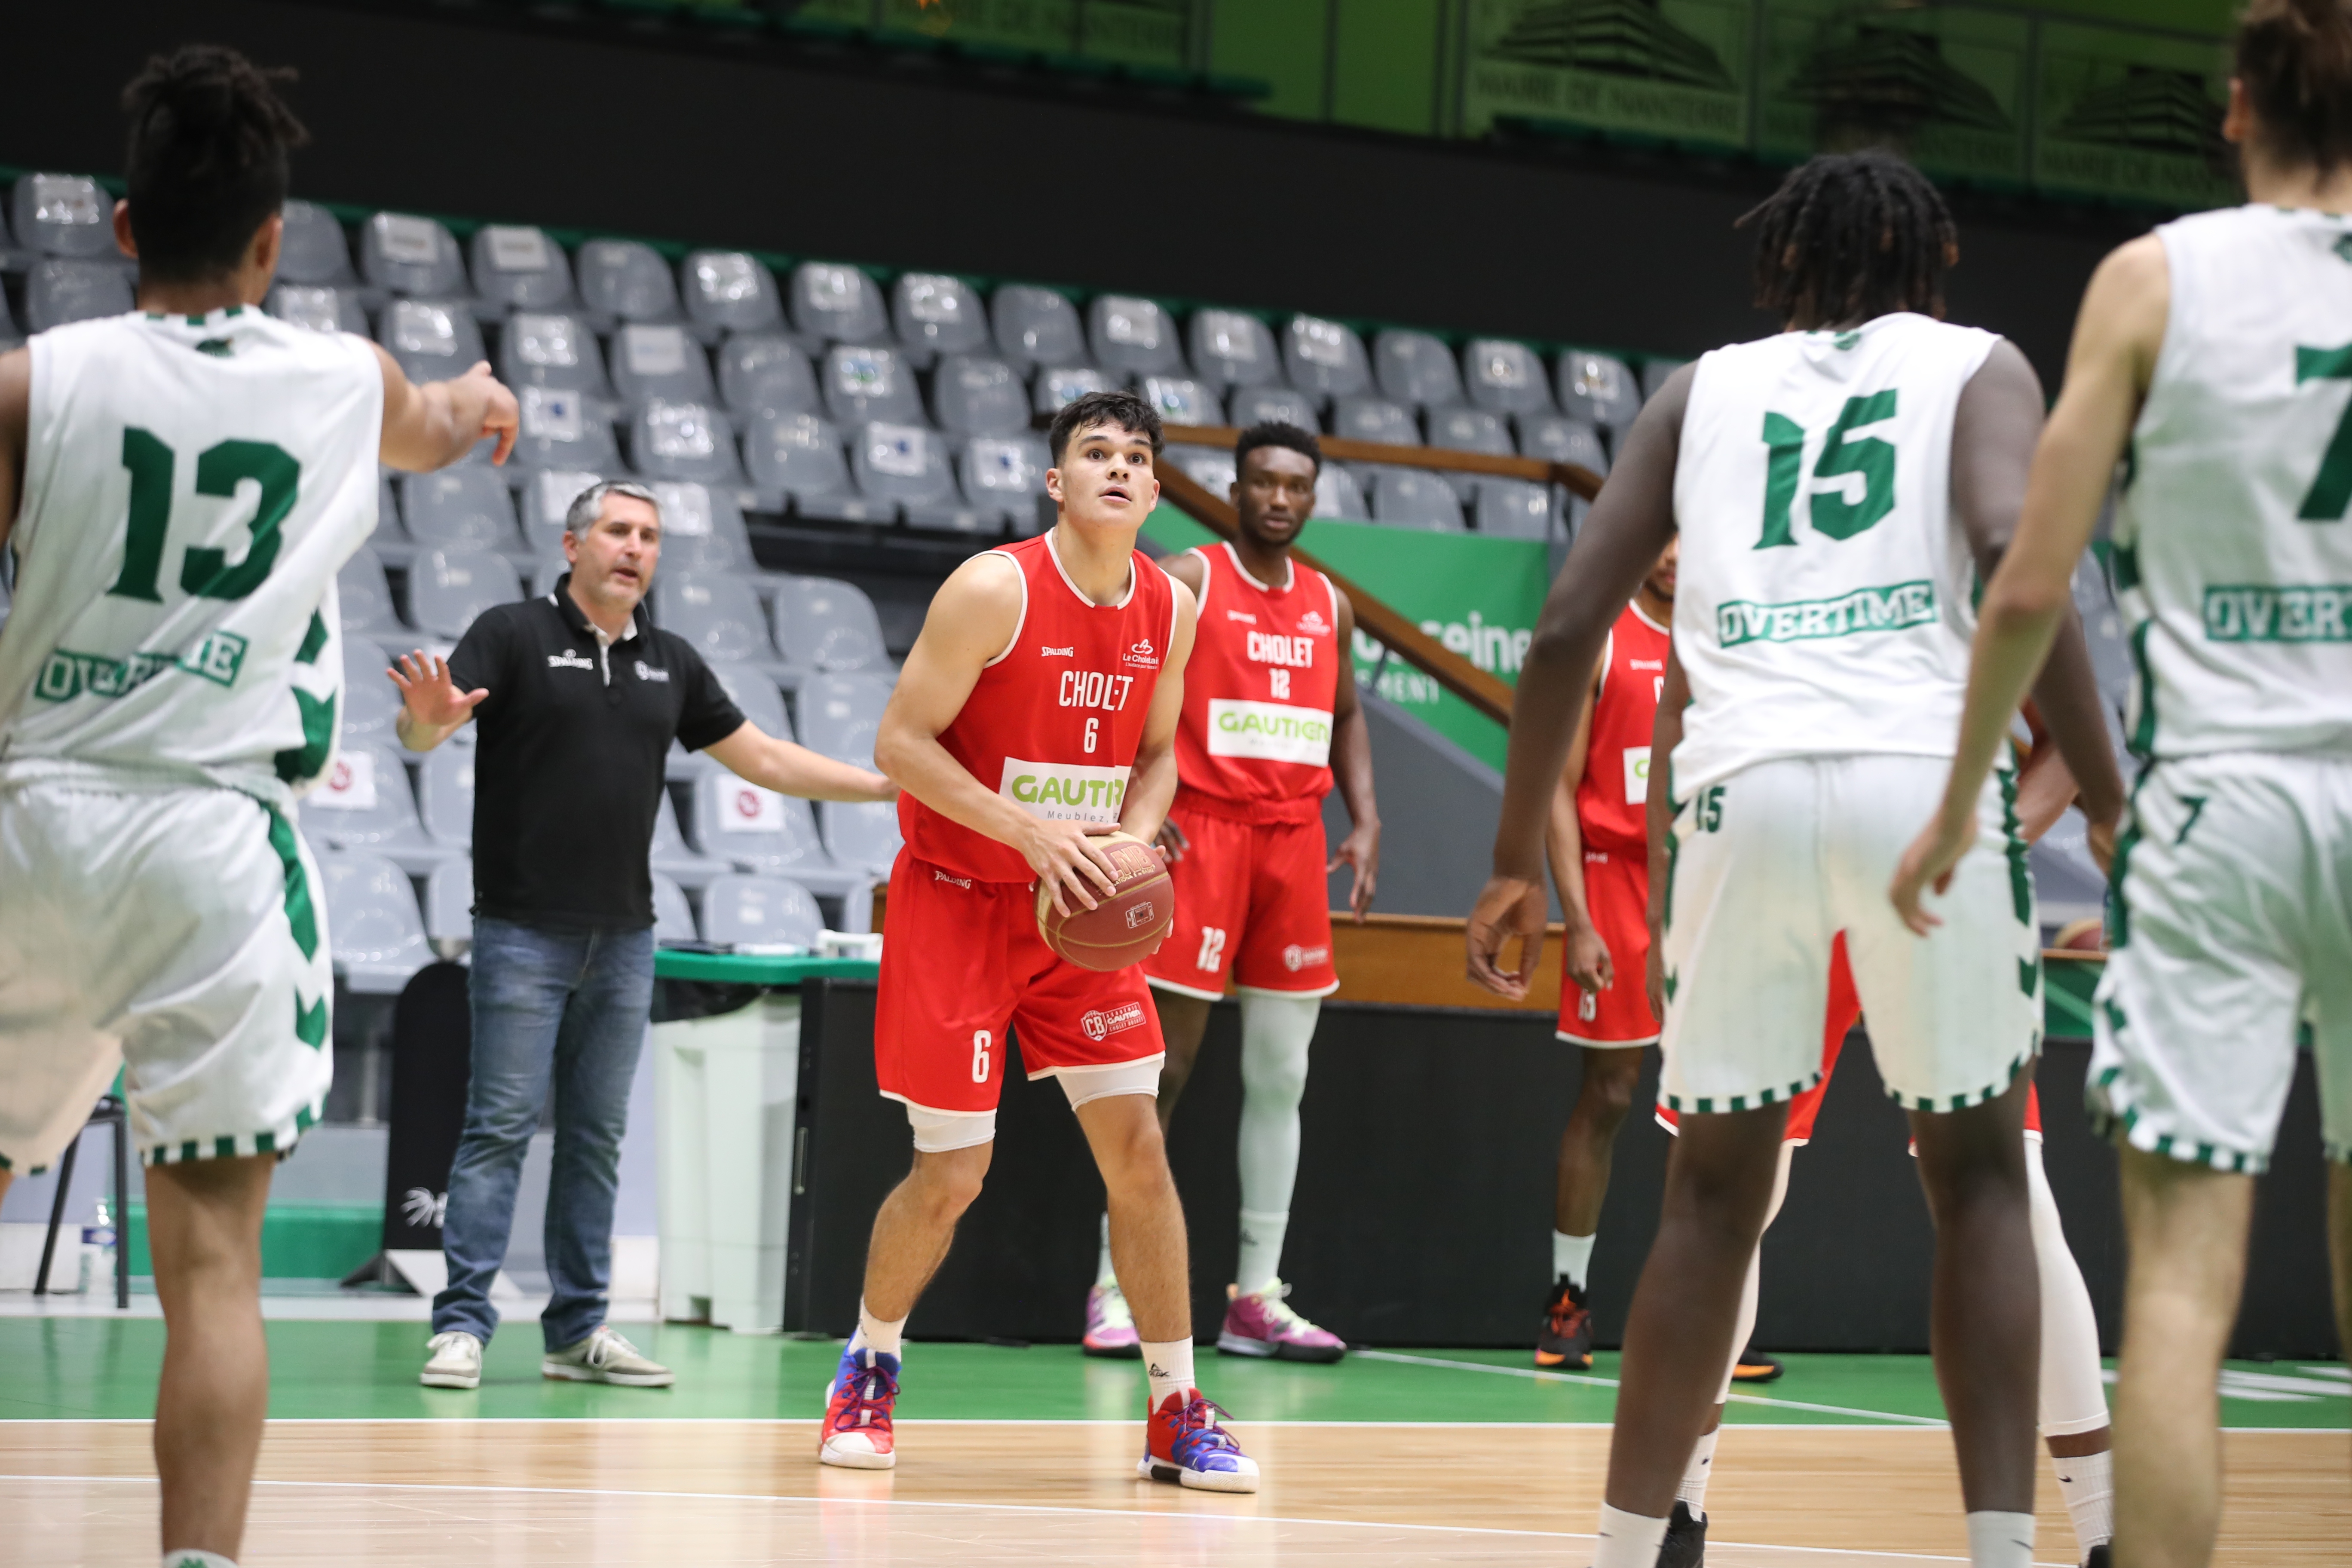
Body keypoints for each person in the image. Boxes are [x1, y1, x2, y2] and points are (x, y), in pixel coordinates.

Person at [1467, 150, 2125, 1568]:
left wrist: (1517, 851)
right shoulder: (1979, 364)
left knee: (1712, 1194)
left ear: (1785, 261)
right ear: (1927, 259)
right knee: (1989, 1185)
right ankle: (2025, 1547)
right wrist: (2110, 788)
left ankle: (1630, 1544)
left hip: (1737, 796)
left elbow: (1565, 620)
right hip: (1916, 789)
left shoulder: (1701, 386)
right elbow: (2021, 549)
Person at [0, 47, 518, 1568]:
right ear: (273, 239)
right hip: (222, 841)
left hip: (40, 818)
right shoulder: (341, 380)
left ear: (118, 224)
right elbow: (430, 424)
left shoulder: (37, 379)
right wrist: (473, 395)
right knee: (212, 1265)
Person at [1891, 3, 2352, 1561]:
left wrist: (1964, 798)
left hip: (2219, 806)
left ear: (2236, 111)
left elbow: (2029, 583)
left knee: (2174, 1287)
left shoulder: (2156, 278)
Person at [819, 388, 1256, 1492]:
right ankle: (869, 1364)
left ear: (1155, 490)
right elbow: (901, 744)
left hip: (1077, 920)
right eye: (1094, 452)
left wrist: (1134, 846)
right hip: (961, 898)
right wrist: (1034, 832)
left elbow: (1160, 755)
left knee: (1142, 1153)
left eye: (1138, 456)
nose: (1118, 468)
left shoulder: (1172, 606)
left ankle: (1174, 1408)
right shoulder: (993, 588)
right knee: (953, 1174)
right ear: (1056, 483)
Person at [394, 479, 893, 1391]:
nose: (634, 548)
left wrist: (888, 786)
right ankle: (462, 1325)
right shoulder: (511, 633)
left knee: (596, 1139)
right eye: (617, 531)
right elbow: (429, 728)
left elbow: (768, 759)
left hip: (624, 940)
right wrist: (424, 719)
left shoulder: (673, 660)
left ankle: (578, 1331)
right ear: (572, 545)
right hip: (518, 934)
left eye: (649, 536)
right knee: (498, 1128)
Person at [1653, 652, 2118, 1568]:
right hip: (1785, 885)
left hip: (1944, 892)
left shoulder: (1978, 542)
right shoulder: (1756, 540)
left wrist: (1989, 847)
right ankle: (1678, 1510)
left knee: (2017, 1205)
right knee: (1733, 1207)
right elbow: (1685, 717)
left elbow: (2068, 729)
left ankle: (2107, 1534)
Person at [1077, 420, 1378, 1363]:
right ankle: (1112, 1287)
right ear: (1236, 490)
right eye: (1263, 483)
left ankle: (1258, 1296)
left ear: (1313, 497)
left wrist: (1366, 820)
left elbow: (1348, 715)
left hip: (1294, 846)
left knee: (1282, 1075)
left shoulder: (1333, 603)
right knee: (1159, 1069)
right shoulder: (1196, 580)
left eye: (1297, 485)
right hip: (1200, 836)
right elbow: (1137, 681)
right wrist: (1138, 797)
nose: (1280, 499)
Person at [1529, 535, 1779, 1383]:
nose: (1676, 555)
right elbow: (1558, 788)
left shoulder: (1729, 641)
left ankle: (1715, 1314)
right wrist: (1580, 918)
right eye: (1662, 539)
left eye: (1691, 538)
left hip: (1710, 882)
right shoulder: (1605, 638)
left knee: (1720, 1103)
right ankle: (1568, 1301)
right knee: (1610, 1094)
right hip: (1618, 883)